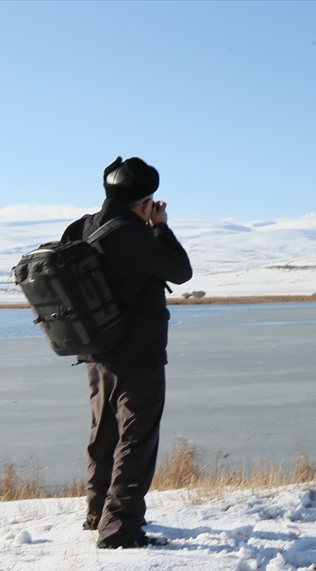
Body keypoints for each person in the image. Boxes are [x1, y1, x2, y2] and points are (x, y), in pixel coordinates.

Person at [61, 156, 193, 548]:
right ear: (145, 201)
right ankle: (119, 530)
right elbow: (181, 271)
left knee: (103, 433)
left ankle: (97, 512)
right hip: (139, 353)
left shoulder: (83, 226)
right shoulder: (136, 235)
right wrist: (161, 229)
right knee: (137, 438)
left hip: (98, 351)